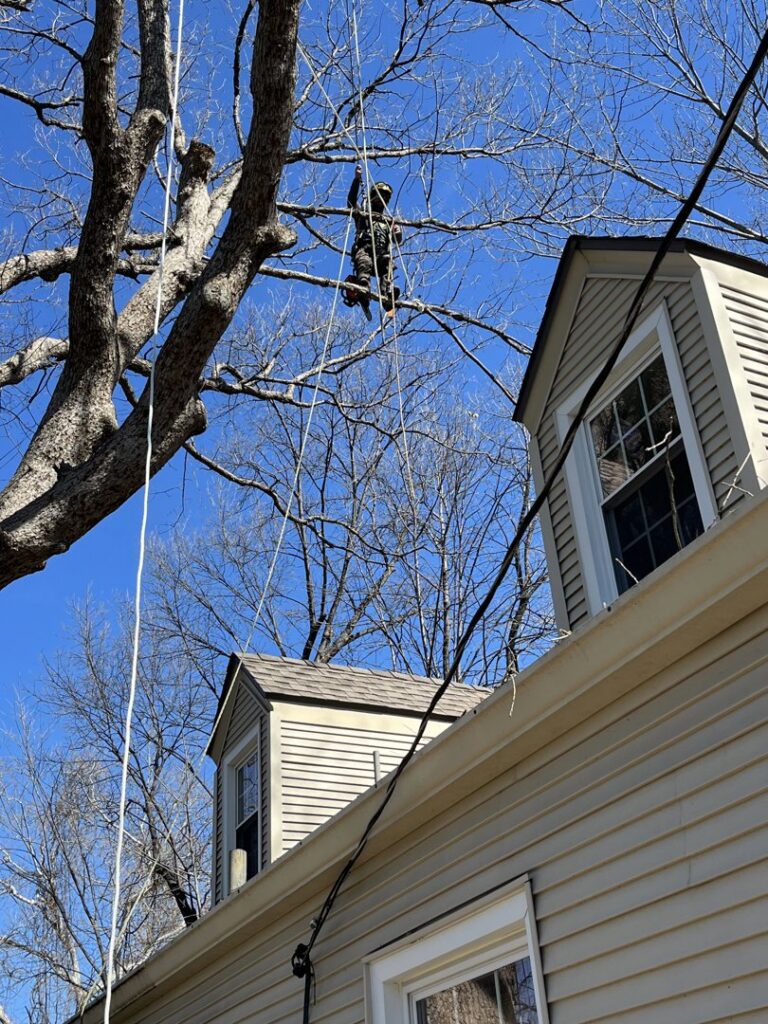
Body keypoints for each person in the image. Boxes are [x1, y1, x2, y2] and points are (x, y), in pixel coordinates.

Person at [345, 165, 402, 319]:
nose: (381, 200)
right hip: (364, 249)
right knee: (364, 263)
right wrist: (357, 180)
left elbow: (398, 241)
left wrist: (397, 232)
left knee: (388, 265)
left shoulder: (388, 221)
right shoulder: (363, 214)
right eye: (379, 196)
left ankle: (387, 293)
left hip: (382, 255)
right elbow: (350, 202)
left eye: (384, 198)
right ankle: (363, 286)